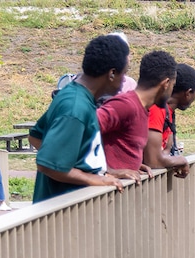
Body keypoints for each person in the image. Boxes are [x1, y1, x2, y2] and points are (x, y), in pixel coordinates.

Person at [29, 33, 129, 203]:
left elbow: (36, 137)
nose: (124, 80)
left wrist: (104, 172)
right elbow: (47, 164)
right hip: (62, 210)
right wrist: (92, 178)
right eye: (124, 73)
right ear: (112, 73)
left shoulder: (75, 96)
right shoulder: (75, 108)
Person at [98, 50, 177, 179]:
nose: (172, 90)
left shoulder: (143, 109)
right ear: (166, 83)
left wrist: (134, 164)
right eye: (173, 85)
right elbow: (80, 130)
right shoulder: (125, 105)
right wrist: (106, 171)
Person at [144, 63, 195, 178]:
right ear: (188, 93)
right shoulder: (157, 109)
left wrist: (166, 158)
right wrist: (181, 160)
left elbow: (165, 152)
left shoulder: (168, 113)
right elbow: (153, 160)